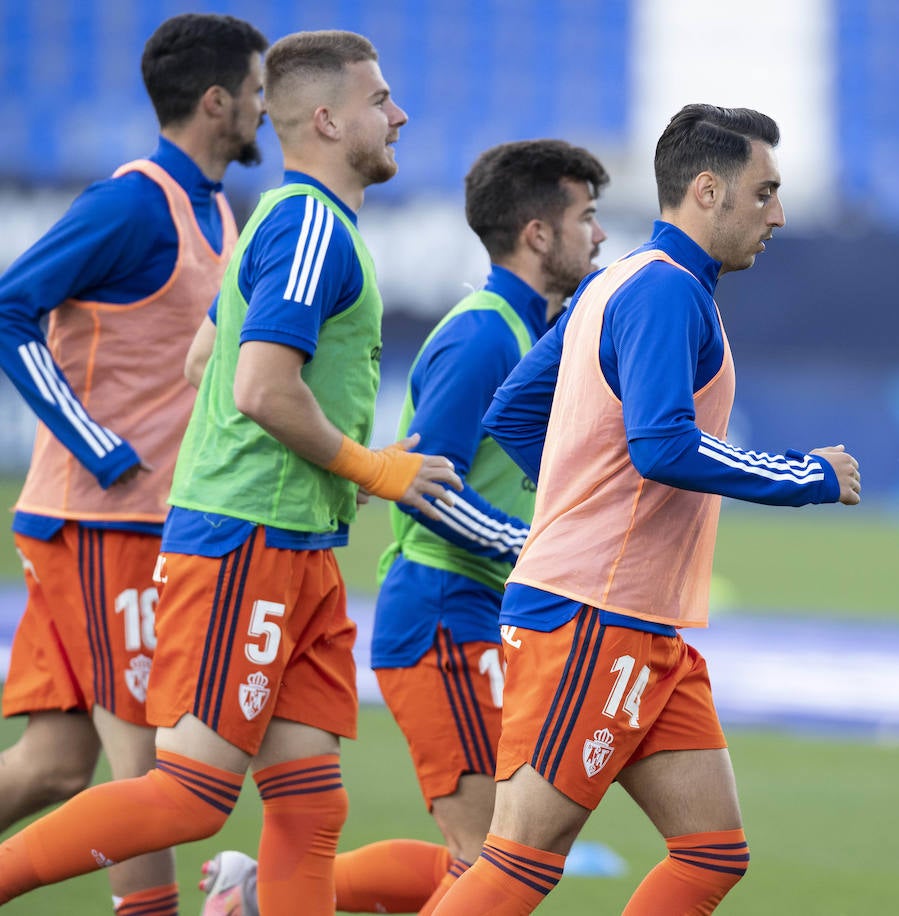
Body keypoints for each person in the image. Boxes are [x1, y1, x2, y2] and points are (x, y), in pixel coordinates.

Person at [0, 30, 463, 916]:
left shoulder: (279, 218)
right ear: (327, 119)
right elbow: (254, 386)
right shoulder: (310, 225)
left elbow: (202, 359)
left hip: (291, 541)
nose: (398, 115)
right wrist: (374, 469)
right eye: (380, 100)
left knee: (310, 800)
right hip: (249, 539)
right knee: (187, 794)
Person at [429, 104, 861, 915]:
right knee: (521, 859)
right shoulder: (665, 292)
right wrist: (805, 476)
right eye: (764, 192)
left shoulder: (617, 281)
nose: (779, 214)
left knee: (711, 852)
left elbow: (516, 414)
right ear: (707, 190)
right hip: (593, 614)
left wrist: (577, 500)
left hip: (639, 619)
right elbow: (662, 444)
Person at [198, 138, 612, 916]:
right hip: (442, 615)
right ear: (537, 234)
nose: (599, 235)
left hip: (485, 613)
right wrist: (538, 551)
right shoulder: (484, 335)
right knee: (495, 861)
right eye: (586, 218)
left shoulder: (532, 333)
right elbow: (423, 490)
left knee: (503, 859)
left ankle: (254, 893)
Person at [0, 13, 267, 916]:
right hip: (101, 522)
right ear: (217, 100)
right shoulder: (130, 204)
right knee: (150, 772)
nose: (268, 109)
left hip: (131, 521)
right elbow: (9, 309)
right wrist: (93, 441)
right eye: (260, 92)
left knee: (53, 767)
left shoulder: (216, 207)